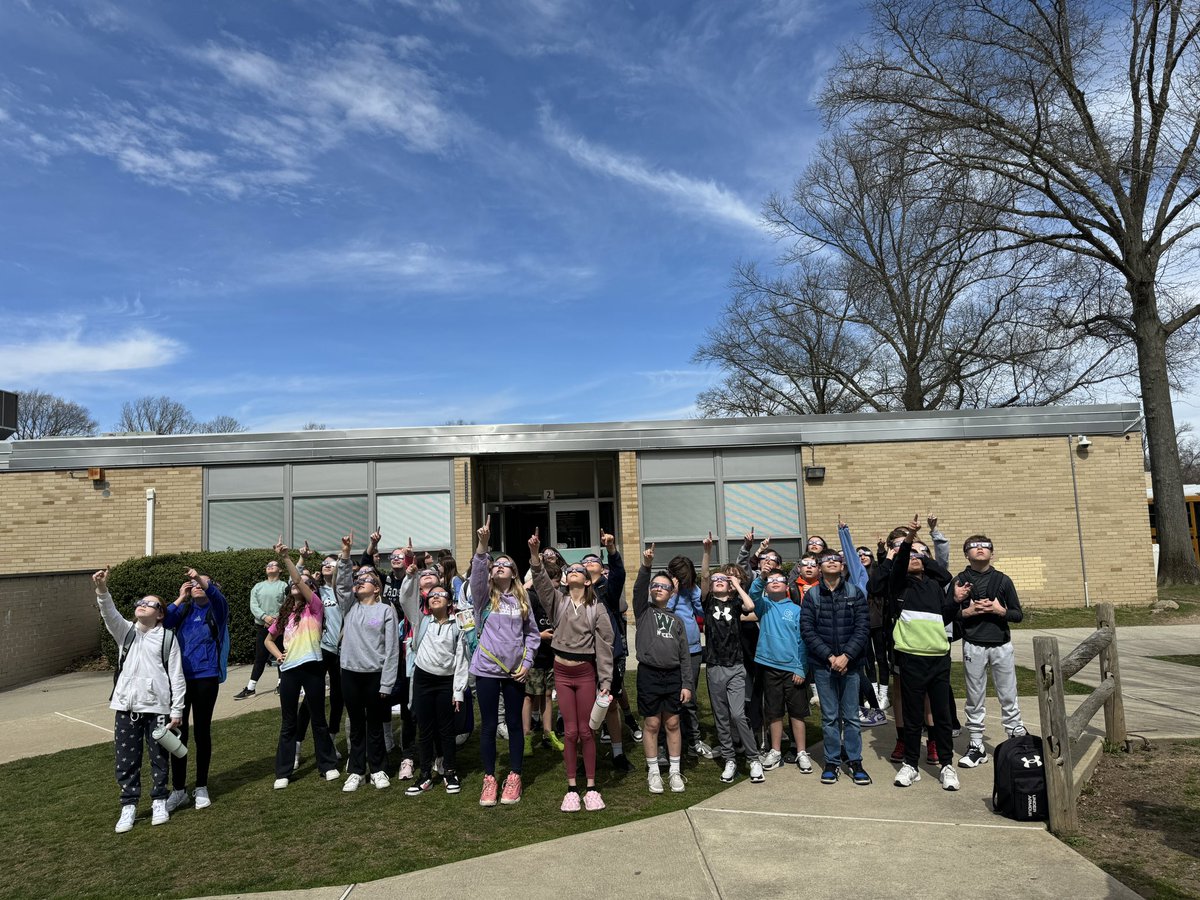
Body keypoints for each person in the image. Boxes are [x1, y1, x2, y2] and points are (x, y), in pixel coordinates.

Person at [93, 567, 186, 833]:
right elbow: (109, 614)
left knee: (159, 758)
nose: (142, 605)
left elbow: (176, 677)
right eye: (140, 602)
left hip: (157, 708)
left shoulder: (168, 638)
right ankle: (129, 806)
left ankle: (159, 801)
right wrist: (102, 589)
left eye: (150, 603)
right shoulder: (126, 633)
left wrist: (176, 709)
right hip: (125, 707)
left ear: (160, 613)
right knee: (126, 759)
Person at [529, 529, 616, 812]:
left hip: (586, 673)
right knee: (569, 732)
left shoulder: (597, 609)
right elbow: (541, 583)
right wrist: (535, 556)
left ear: (589, 580)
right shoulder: (559, 602)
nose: (576, 572)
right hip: (562, 673)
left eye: (581, 570)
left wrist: (606, 682)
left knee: (587, 732)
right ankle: (571, 788)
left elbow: (605, 647)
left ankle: (591, 786)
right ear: (567, 579)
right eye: (573, 570)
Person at [469, 515, 541, 807]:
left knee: (514, 724)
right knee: (488, 725)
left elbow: (533, 636)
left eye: (504, 565)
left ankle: (514, 776)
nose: (498, 567)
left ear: (514, 573)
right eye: (494, 565)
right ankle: (489, 779)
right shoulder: (484, 597)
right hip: (486, 671)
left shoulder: (523, 600)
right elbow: (476, 574)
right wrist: (482, 546)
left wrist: (526, 664)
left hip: (515, 674)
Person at [884, 515, 960, 790]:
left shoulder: (936, 586)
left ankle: (947, 765)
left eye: (922, 553)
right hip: (911, 658)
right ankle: (911, 765)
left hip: (939, 658)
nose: (916, 556)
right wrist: (909, 542)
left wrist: (957, 602)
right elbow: (899, 564)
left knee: (941, 715)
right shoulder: (899, 585)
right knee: (913, 716)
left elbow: (944, 608)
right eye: (911, 553)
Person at [264, 543, 340, 789]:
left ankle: (327, 765)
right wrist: (278, 655)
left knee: (318, 719)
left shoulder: (315, 607)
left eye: (302, 584)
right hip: (289, 671)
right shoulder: (284, 614)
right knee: (289, 723)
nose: (296, 585)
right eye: (294, 585)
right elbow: (268, 639)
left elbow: (297, 577)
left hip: (313, 668)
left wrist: (287, 558)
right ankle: (283, 772)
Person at [334, 531, 401, 791]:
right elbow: (341, 585)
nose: (359, 582)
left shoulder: (385, 610)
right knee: (355, 725)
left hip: (375, 675)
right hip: (350, 674)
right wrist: (346, 555)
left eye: (366, 579)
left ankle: (379, 769)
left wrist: (386, 683)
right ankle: (356, 770)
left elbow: (392, 650)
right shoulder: (349, 606)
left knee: (375, 724)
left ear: (377, 587)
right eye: (357, 579)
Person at [800, 548, 872, 785]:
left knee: (851, 716)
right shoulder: (811, 596)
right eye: (826, 560)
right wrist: (831, 657)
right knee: (829, 716)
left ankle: (854, 760)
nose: (831, 563)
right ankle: (831, 761)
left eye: (836, 560)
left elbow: (863, 627)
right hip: (823, 666)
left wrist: (846, 656)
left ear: (843, 566)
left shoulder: (855, 592)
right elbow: (807, 631)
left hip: (851, 666)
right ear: (819, 567)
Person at [399, 556, 469, 796]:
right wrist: (410, 576)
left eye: (441, 594)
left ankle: (449, 771)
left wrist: (458, 690)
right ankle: (425, 775)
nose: (435, 596)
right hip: (423, 679)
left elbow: (461, 659)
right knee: (425, 729)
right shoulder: (421, 620)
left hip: (446, 681)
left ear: (449, 601)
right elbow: (405, 599)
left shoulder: (457, 624)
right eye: (432, 595)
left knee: (446, 729)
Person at [955, 535, 1027, 769]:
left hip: (1001, 644)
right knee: (975, 696)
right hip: (973, 644)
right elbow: (946, 614)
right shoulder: (960, 580)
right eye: (973, 547)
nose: (979, 549)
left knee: (1008, 692)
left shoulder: (1003, 580)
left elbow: (1017, 615)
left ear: (992, 553)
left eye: (984, 546)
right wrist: (967, 611)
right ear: (966, 554)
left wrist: (1000, 610)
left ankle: (1016, 738)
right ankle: (976, 744)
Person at [699, 533, 765, 784]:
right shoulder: (707, 603)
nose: (717, 582)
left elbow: (751, 607)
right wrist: (707, 552)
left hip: (736, 666)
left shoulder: (736, 603)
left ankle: (753, 758)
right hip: (714, 667)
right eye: (717, 579)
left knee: (738, 715)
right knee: (722, 716)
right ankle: (729, 759)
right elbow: (705, 577)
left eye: (722, 580)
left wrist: (736, 585)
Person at [162, 567, 229, 813]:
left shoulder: (216, 610)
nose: (197, 585)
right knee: (178, 733)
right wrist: (180, 597)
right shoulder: (186, 610)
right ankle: (178, 790)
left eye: (202, 582)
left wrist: (201, 579)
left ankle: (201, 786)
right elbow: (165, 620)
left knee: (202, 731)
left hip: (206, 677)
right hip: (180, 680)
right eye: (194, 583)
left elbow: (219, 598)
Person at [633, 544, 692, 794]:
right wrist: (646, 565)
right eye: (655, 585)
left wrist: (687, 684)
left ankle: (675, 772)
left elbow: (685, 655)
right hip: (648, 674)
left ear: (672, 591)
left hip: (673, 676)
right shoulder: (643, 611)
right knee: (652, 724)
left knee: (673, 723)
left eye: (664, 586)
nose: (659, 588)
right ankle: (654, 771)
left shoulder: (677, 620)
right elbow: (638, 589)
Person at [581, 534, 636, 771]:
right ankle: (586, 757)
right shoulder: (574, 592)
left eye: (592, 561)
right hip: (582, 658)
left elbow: (619, 573)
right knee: (585, 708)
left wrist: (611, 549)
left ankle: (618, 753)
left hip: (609, 657)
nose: (587, 564)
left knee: (610, 704)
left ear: (601, 568)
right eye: (583, 562)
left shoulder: (608, 589)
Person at [750, 565, 812, 774]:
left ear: (787, 586)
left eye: (779, 579)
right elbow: (753, 594)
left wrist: (801, 668)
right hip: (769, 667)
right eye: (770, 580)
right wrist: (762, 577)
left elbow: (802, 642)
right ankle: (775, 751)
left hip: (792, 669)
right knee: (774, 712)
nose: (774, 582)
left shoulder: (796, 610)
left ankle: (802, 752)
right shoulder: (763, 605)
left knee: (797, 713)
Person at [296, 552, 346, 760]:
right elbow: (296, 580)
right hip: (321, 648)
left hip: (342, 650)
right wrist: (300, 559)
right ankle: (296, 746)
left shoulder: (345, 591)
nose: (327, 565)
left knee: (338, 698)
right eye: (324, 563)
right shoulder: (315, 590)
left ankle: (330, 741)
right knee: (311, 698)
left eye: (331, 563)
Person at [664, 553, 712, 761]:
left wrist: (693, 589)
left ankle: (694, 739)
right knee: (671, 697)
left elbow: (703, 609)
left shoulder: (692, 588)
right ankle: (672, 738)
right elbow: (664, 611)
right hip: (670, 649)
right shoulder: (664, 588)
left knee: (689, 696)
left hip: (692, 649)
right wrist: (673, 592)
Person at [523, 550, 563, 755]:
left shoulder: (558, 598)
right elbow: (520, 628)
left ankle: (549, 733)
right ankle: (527, 736)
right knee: (530, 696)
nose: (557, 586)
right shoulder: (529, 597)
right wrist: (540, 636)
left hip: (551, 655)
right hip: (533, 654)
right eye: (555, 582)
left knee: (548, 695)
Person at [233, 558, 287, 699]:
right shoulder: (258, 586)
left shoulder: (284, 586)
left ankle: (282, 684)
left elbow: (287, 604)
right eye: (267, 565)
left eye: (273, 565)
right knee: (260, 657)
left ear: (280, 570)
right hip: (262, 627)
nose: (269, 566)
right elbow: (253, 605)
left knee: (281, 654)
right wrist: (265, 617)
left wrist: (275, 619)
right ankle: (251, 688)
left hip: (280, 627)